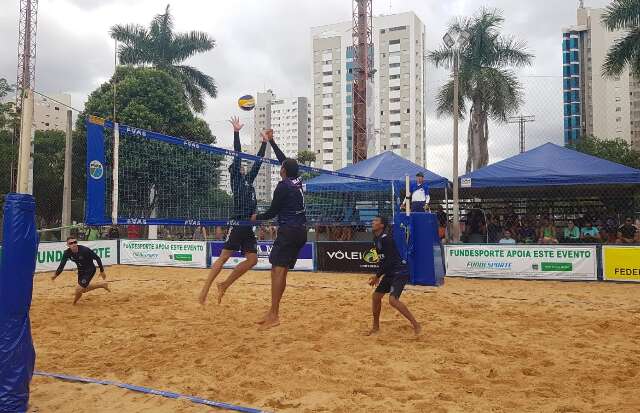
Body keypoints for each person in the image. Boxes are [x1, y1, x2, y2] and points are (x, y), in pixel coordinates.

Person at [199, 117, 268, 305]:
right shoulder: (236, 180)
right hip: (238, 223)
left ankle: (224, 285)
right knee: (223, 258)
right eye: (240, 167)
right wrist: (236, 132)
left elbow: (259, 162)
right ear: (236, 171)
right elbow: (237, 154)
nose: (244, 168)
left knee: (252, 260)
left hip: (248, 225)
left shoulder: (248, 181)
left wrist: (264, 143)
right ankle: (204, 292)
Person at [251, 129, 307, 329]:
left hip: (289, 231)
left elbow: (273, 211)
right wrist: (272, 142)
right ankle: (273, 312)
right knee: (280, 271)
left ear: (283, 171)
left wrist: (257, 217)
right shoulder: (298, 181)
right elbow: (285, 160)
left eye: (281, 167)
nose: (280, 166)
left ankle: (274, 314)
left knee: (277, 271)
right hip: (300, 232)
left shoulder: (283, 186)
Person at [367, 215, 421, 336]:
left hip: (400, 270)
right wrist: (378, 275)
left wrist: (377, 276)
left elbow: (390, 260)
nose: (372, 222)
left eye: (375, 221)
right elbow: (383, 260)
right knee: (376, 297)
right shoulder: (376, 239)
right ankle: (375, 328)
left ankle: (417, 326)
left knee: (392, 300)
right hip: (390, 271)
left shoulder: (387, 239)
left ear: (381, 225)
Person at [51, 236, 109, 305]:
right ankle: (102, 285)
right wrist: (56, 275)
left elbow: (97, 258)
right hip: (81, 270)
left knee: (79, 289)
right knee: (83, 289)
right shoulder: (67, 253)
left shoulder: (84, 250)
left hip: (90, 269)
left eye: (75, 242)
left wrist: (102, 271)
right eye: (71, 243)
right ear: (68, 245)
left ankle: (74, 303)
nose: (74, 244)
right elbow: (62, 265)